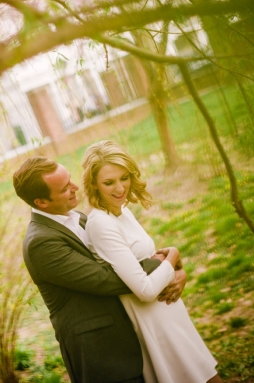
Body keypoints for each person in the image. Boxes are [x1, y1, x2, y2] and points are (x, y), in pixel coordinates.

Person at [13, 156, 186, 383]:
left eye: (70, 180)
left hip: (130, 334)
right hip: (101, 353)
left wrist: (174, 271)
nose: (76, 188)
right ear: (41, 202)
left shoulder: (79, 218)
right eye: (65, 188)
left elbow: (118, 260)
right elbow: (104, 279)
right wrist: (165, 263)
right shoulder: (40, 244)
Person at [81, 140, 222, 383]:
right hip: (152, 319)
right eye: (109, 182)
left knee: (205, 374)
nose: (119, 188)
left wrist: (179, 275)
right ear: (93, 183)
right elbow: (145, 290)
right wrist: (175, 255)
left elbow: (150, 260)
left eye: (124, 178)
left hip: (167, 309)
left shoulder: (121, 210)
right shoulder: (101, 224)